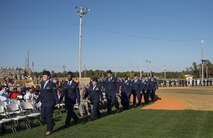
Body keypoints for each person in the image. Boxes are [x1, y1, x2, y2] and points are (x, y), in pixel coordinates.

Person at [35, 71, 59, 136]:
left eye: (45, 76)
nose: (43, 77)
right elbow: (41, 94)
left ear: (48, 77)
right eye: (43, 76)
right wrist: (36, 101)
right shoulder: (42, 83)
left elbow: (55, 94)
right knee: (43, 116)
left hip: (50, 102)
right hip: (44, 102)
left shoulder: (52, 84)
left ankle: (49, 130)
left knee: (48, 116)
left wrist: (57, 102)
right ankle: (52, 123)